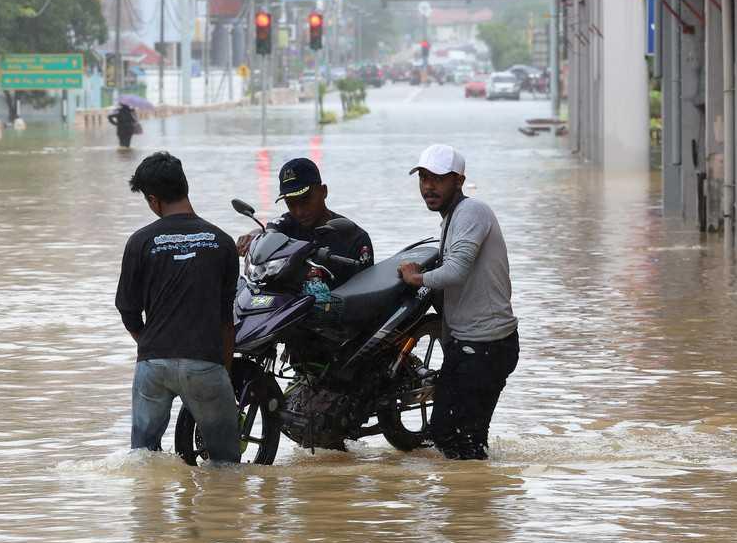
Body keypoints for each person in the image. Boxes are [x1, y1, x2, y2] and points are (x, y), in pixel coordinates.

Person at [115, 152, 242, 464]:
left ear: (153, 200)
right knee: (225, 463)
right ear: (185, 186)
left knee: (143, 459)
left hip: (153, 365)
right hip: (205, 363)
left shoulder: (140, 242)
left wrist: (150, 345)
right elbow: (226, 319)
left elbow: (127, 310)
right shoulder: (222, 242)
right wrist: (223, 371)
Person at [396, 144, 519, 461]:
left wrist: (417, 278)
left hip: (487, 345)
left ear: (459, 181)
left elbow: (456, 270)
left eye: (438, 179)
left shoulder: (471, 212)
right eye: (423, 178)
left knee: (456, 437)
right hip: (471, 344)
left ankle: (474, 490)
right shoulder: (453, 218)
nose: (428, 187)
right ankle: (476, 489)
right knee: (455, 438)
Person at [236, 157, 373, 286]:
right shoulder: (285, 225)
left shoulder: (354, 238)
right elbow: (269, 231)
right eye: (291, 203)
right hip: (285, 302)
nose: (299, 211)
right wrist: (254, 237)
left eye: (305, 200)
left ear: (323, 191)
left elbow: (364, 293)